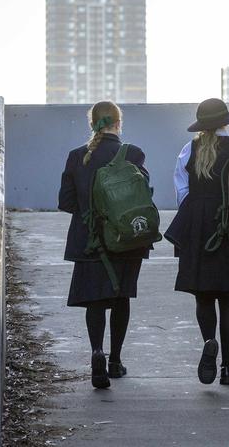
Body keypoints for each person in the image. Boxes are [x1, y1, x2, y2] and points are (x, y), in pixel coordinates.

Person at [58, 100, 149, 389]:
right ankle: (115, 360)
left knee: (95, 303)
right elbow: (144, 195)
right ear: (118, 123)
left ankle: (96, 351)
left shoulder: (76, 157)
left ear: (91, 123)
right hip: (125, 239)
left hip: (89, 241)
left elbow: (66, 202)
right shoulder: (132, 153)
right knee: (121, 298)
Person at [165, 98, 229, 386]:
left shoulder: (187, 150)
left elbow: (181, 192)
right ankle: (228, 367)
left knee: (203, 295)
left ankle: (208, 341)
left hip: (196, 226)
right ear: (226, 122)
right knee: (228, 299)